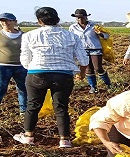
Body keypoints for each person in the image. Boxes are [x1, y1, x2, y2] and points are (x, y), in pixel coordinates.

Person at [13, 7, 89, 148]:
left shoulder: (29, 35)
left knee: (33, 106)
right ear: (57, 19)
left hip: (37, 74)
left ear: (39, 21)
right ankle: (64, 140)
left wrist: (35, 68)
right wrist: (82, 74)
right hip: (64, 75)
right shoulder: (72, 36)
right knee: (61, 107)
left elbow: (24, 61)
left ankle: (28, 136)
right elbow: (84, 61)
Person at [69, 9, 111, 94]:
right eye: (77, 18)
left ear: (86, 17)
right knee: (88, 69)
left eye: (81, 17)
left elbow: (107, 36)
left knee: (98, 68)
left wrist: (100, 33)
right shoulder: (73, 27)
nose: (79, 19)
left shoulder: (94, 26)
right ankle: (93, 87)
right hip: (82, 50)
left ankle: (108, 84)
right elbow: (70, 39)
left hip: (95, 48)